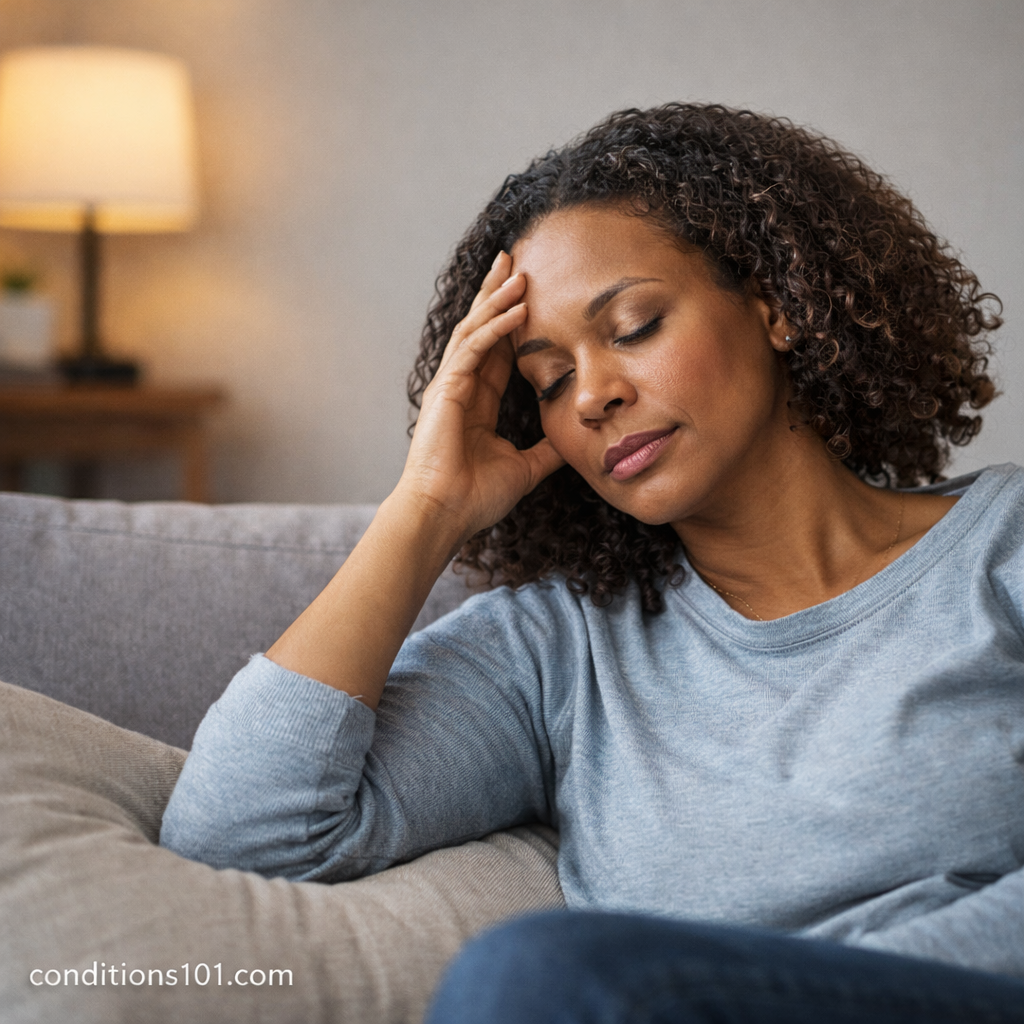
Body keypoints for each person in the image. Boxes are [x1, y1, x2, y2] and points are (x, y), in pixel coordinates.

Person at [160, 104, 1024, 1021]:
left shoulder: (1002, 545)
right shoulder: (560, 650)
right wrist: (424, 511)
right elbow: (236, 833)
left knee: (535, 977)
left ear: (777, 304)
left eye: (634, 326)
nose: (598, 396)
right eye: (551, 382)